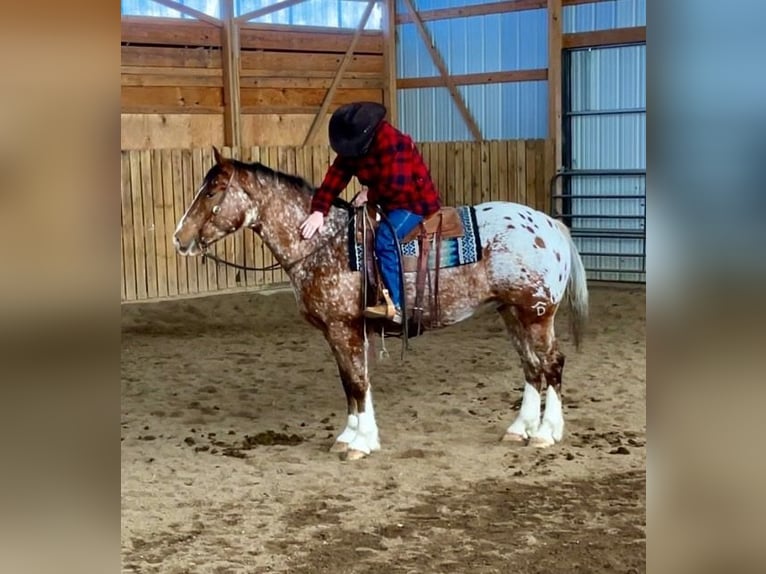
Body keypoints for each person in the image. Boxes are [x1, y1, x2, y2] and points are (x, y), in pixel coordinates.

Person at [299, 101, 442, 324]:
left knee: (384, 240)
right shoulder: (355, 145)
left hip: (413, 202)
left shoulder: (394, 143)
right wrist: (319, 210)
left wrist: (369, 195)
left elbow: (398, 186)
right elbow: (336, 176)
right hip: (385, 200)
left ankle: (399, 305)